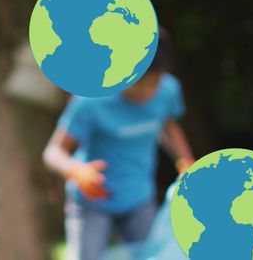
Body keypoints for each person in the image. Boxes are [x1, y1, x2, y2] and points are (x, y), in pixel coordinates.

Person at [43, 29, 195, 260]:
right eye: (136, 82)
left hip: (138, 198)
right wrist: (75, 170)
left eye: (152, 82)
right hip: (91, 202)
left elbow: (167, 125)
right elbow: (53, 152)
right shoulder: (91, 99)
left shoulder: (168, 91)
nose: (145, 92)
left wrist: (185, 160)